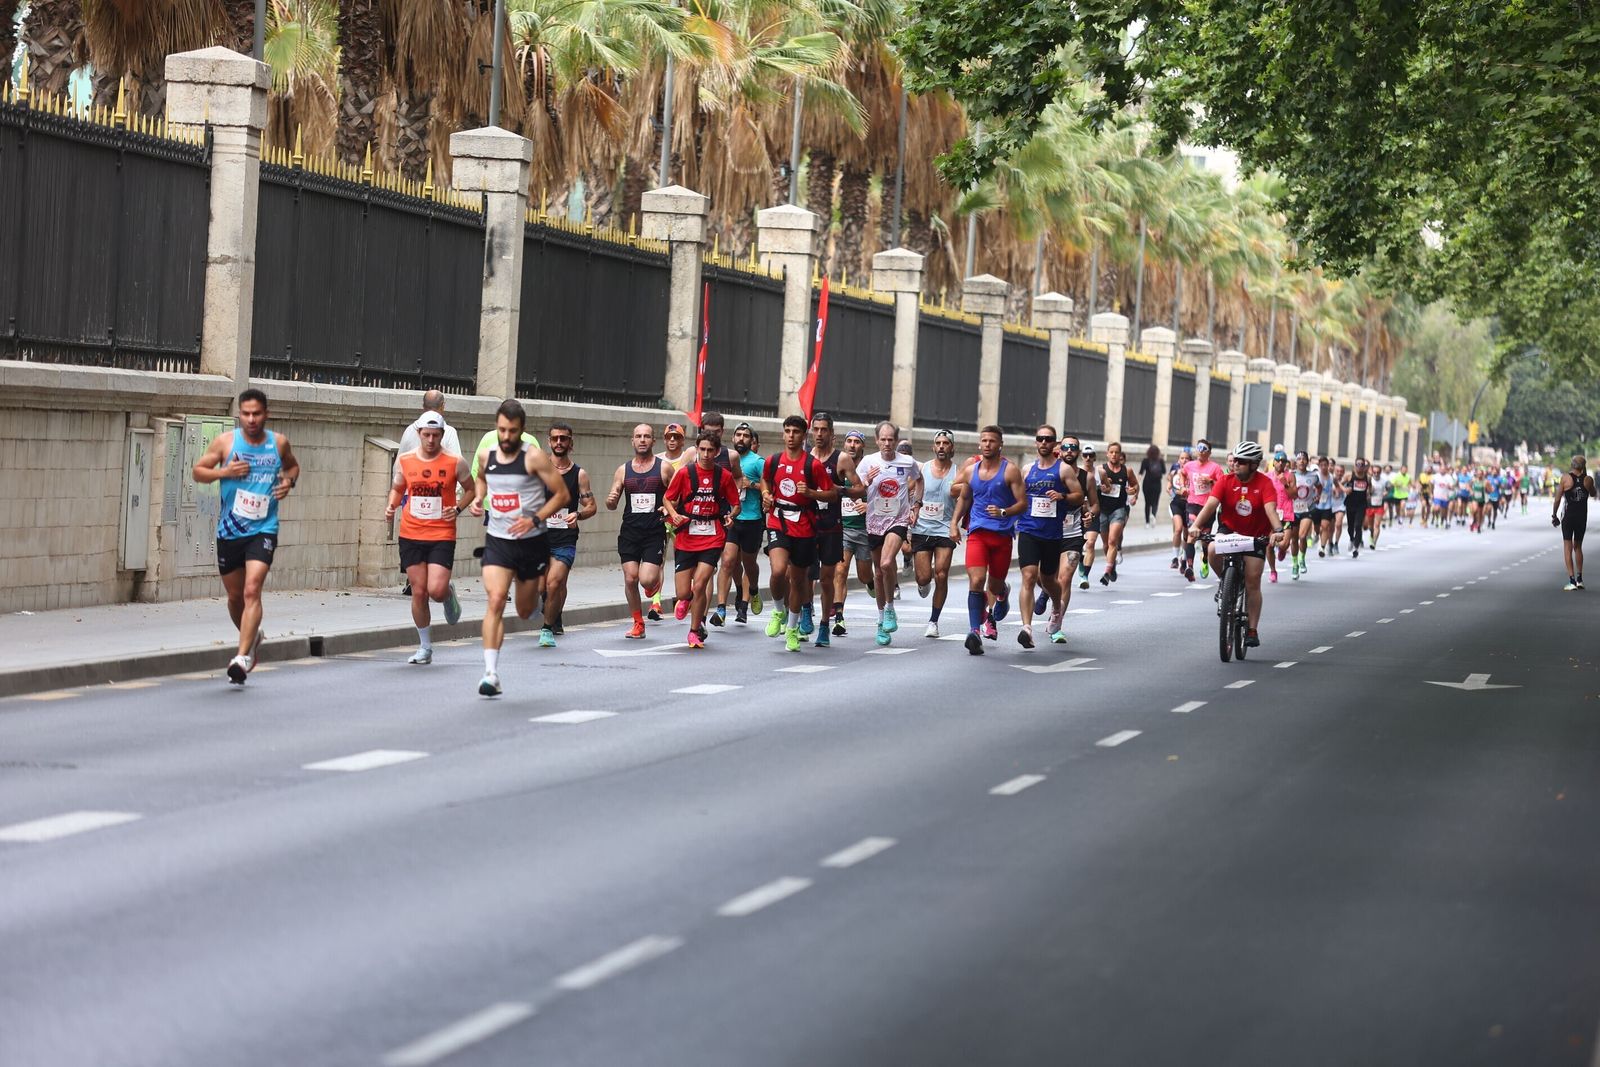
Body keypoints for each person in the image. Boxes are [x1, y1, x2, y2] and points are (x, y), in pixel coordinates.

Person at [191, 388, 301, 685]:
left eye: (257, 414)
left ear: (266, 414)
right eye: (246, 414)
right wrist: (224, 473)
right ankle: (252, 638)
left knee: (253, 590)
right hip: (230, 530)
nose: (251, 419)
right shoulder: (226, 443)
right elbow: (198, 471)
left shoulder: (278, 443)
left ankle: (241, 657)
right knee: (235, 597)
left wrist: (288, 482)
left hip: (264, 529)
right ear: (239, 414)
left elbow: (292, 465)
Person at [468, 400, 568, 697]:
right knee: (496, 599)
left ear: (521, 430)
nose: (506, 436)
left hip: (531, 541)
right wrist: (478, 498)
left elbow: (561, 494)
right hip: (498, 540)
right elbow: (481, 479)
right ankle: (490, 673)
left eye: (512, 430)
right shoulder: (487, 455)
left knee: (524, 612)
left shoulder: (534, 458)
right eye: (501, 429)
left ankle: (536, 600)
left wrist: (534, 518)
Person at [385, 411, 471, 664]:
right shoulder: (406, 460)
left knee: (436, 589)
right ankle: (425, 647)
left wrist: (456, 508)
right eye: (426, 435)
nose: (431, 440)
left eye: (435, 435)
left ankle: (447, 593)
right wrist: (391, 506)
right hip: (411, 533)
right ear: (418, 434)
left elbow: (471, 489)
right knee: (419, 592)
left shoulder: (455, 462)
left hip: (442, 533)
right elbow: (398, 487)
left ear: (442, 435)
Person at [1186, 440, 1285, 649]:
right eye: (1235, 460)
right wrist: (1195, 526)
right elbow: (1210, 506)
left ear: (1253, 464)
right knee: (1212, 549)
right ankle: (1225, 583)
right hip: (1229, 531)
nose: (1235, 464)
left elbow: (1270, 511)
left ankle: (1252, 629)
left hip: (1255, 536)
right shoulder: (1225, 481)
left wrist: (1277, 530)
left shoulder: (1265, 484)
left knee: (1253, 580)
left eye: (1241, 461)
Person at [761, 415, 838, 651]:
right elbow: (765, 481)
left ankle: (793, 630)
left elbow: (832, 494)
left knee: (797, 581)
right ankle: (777, 611)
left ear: (804, 436)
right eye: (787, 431)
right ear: (783, 434)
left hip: (804, 525)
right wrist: (765, 494)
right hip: (778, 521)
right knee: (777, 571)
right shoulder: (773, 461)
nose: (791, 436)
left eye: (796, 431)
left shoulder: (812, 465)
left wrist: (812, 493)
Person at [949, 426, 1026, 656]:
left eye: (992, 441)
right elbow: (963, 497)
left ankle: (1002, 592)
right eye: (984, 440)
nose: (987, 444)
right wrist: (954, 523)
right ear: (979, 444)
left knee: (993, 585)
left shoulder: (1010, 470)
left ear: (1000, 444)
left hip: (1002, 536)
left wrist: (1004, 512)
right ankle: (974, 632)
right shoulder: (972, 471)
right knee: (976, 580)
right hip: (978, 532)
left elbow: (1022, 503)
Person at [664, 431, 742, 647]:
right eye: (702, 449)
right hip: (686, 535)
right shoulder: (685, 473)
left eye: (710, 450)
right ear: (696, 449)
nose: (706, 454)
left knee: (700, 585)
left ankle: (695, 630)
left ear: (717, 452)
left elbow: (736, 504)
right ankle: (684, 599)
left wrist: (731, 516)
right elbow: (668, 497)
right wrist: (673, 514)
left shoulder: (723, 476)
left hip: (712, 536)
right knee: (683, 592)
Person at [855, 421, 922, 646]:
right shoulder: (867, 462)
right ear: (876, 440)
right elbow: (856, 487)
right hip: (874, 520)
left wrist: (916, 505)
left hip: (898, 519)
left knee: (886, 564)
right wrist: (867, 481)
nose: (886, 443)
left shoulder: (907, 461)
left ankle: (891, 609)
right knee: (879, 573)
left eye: (890, 439)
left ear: (896, 441)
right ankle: (881, 619)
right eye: (882, 439)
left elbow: (919, 479)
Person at [1015, 425, 1080, 648]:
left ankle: (1056, 606)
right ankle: (1026, 628)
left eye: (1048, 439)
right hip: (1028, 530)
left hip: (1052, 534)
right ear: (1036, 442)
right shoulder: (1026, 469)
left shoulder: (1063, 470)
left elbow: (1079, 496)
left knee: (1049, 580)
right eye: (1040, 439)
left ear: (1055, 444)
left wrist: (1062, 495)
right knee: (1029, 577)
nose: (1043, 443)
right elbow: (1017, 495)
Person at [605, 423, 668, 639]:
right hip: (630, 531)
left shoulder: (663, 468)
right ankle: (638, 623)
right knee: (630, 579)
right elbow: (612, 500)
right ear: (632, 441)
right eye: (638, 436)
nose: (642, 440)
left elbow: (678, 496)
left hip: (654, 532)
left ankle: (654, 584)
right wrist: (611, 500)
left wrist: (668, 509)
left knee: (646, 581)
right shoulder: (623, 470)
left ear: (653, 441)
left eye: (646, 436)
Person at [538, 422, 595, 646]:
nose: (559, 442)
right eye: (555, 438)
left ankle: (546, 629)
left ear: (571, 443)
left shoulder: (579, 474)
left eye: (564, 438)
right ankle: (556, 615)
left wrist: (578, 515)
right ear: (549, 441)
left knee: (554, 583)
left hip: (565, 538)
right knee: (543, 587)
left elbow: (591, 506)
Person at [808, 412, 861, 647]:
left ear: (832, 433)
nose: (819, 434)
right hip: (806, 526)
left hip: (831, 526)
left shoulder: (841, 460)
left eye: (824, 430)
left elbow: (860, 488)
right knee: (802, 576)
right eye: (816, 429)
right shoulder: (804, 457)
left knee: (827, 579)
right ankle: (805, 610)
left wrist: (841, 490)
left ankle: (824, 625)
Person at [716, 422, 766, 624]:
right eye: (738, 435)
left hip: (752, 519)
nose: (741, 439)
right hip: (731, 519)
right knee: (728, 562)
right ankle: (722, 608)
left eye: (746, 435)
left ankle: (751, 591)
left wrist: (752, 485)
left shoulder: (757, 461)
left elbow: (768, 487)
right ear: (732, 438)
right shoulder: (725, 459)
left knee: (748, 563)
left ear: (751, 441)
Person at [912, 430, 959, 638]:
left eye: (946, 443)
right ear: (933, 447)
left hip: (944, 529)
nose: (941, 446)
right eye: (938, 443)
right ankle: (924, 583)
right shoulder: (922, 469)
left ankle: (933, 621)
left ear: (952, 448)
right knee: (923, 578)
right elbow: (907, 492)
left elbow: (965, 500)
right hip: (921, 529)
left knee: (941, 574)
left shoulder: (958, 473)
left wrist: (955, 524)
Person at [648, 422, 691, 619]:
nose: (672, 440)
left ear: (683, 440)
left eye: (677, 437)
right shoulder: (656, 460)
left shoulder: (688, 459)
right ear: (664, 439)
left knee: (683, 559)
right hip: (662, 515)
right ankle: (656, 603)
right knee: (659, 560)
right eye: (669, 437)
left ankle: (683, 597)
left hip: (681, 517)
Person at [834, 430, 873, 636]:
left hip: (865, 531)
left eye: (856, 442)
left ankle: (871, 582)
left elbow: (887, 497)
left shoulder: (871, 469)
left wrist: (868, 505)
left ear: (862, 446)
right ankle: (839, 617)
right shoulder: (839, 466)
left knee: (864, 575)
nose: (851, 445)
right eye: (848, 441)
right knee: (840, 571)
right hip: (843, 529)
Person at [1094, 442, 1137, 585]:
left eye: (1116, 452)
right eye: (1111, 452)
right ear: (1107, 453)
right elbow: (1090, 487)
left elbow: (1135, 485)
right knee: (1106, 544)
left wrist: (1133, 490)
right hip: (1102, 511)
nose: (1114, 455)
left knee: (1113, 540)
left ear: (1120, 455)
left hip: (1118, 510)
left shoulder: (1127, 471)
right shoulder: (1100, 470)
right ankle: (1111, 566)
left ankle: (1106, 572)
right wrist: (1101, 487)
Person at [1181, 440, 1224, 580]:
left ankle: (1205, 559)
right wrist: (1183, 487)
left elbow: (1223, 485)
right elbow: (1182, 474)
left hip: (1208, 507)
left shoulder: (1215, 468)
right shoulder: (1189, 466)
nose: (1200, 451)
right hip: (1192, 503)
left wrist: (1211, 481)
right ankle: (1189, 567)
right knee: (1192, 535)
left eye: (1204, 448)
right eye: (1198, 448)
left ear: (1209, 453)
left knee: (1205, 540)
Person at [1554, 455, 1595, 590]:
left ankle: (1571, 581)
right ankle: (1580, 579)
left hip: (1568, 517)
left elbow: (1558, 499)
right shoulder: (1588, 480)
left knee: (1567, 546)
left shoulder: (1566, 478)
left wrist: (1554, 515)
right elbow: (1593, 493)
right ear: (1583, 466)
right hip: (1581, 517)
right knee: (1578, 546)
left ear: (1572, 465)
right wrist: (1587, 480)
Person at [398, 389, 463, 458]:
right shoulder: (449, 432)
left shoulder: (410, 430)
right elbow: (457, 464)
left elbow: (398, 465)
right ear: (443, 406)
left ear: (423, 406)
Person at [1168, 447, 1193, 569]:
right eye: (1182, 458)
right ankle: (1175, 558)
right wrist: (1175, 492)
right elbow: (1170, 488)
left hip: (1189, 505)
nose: (1184, 460)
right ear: (1179, 460)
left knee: (1186, 533)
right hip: (1177, 503)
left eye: (1187, 458)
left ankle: (1184, 558)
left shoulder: (1193, 473)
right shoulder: (1175, 472)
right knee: (1178, 529)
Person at [1138, 444, 1165, 525]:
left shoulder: (1145, 460)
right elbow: (1164, 471)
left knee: (1147, 503)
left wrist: (1136, 483)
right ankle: (1153, 515)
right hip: (1157, 484)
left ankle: (1147, 523)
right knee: (1155, 502)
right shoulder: (1160, 461)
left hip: (1147, 484)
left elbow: (1141, 472)